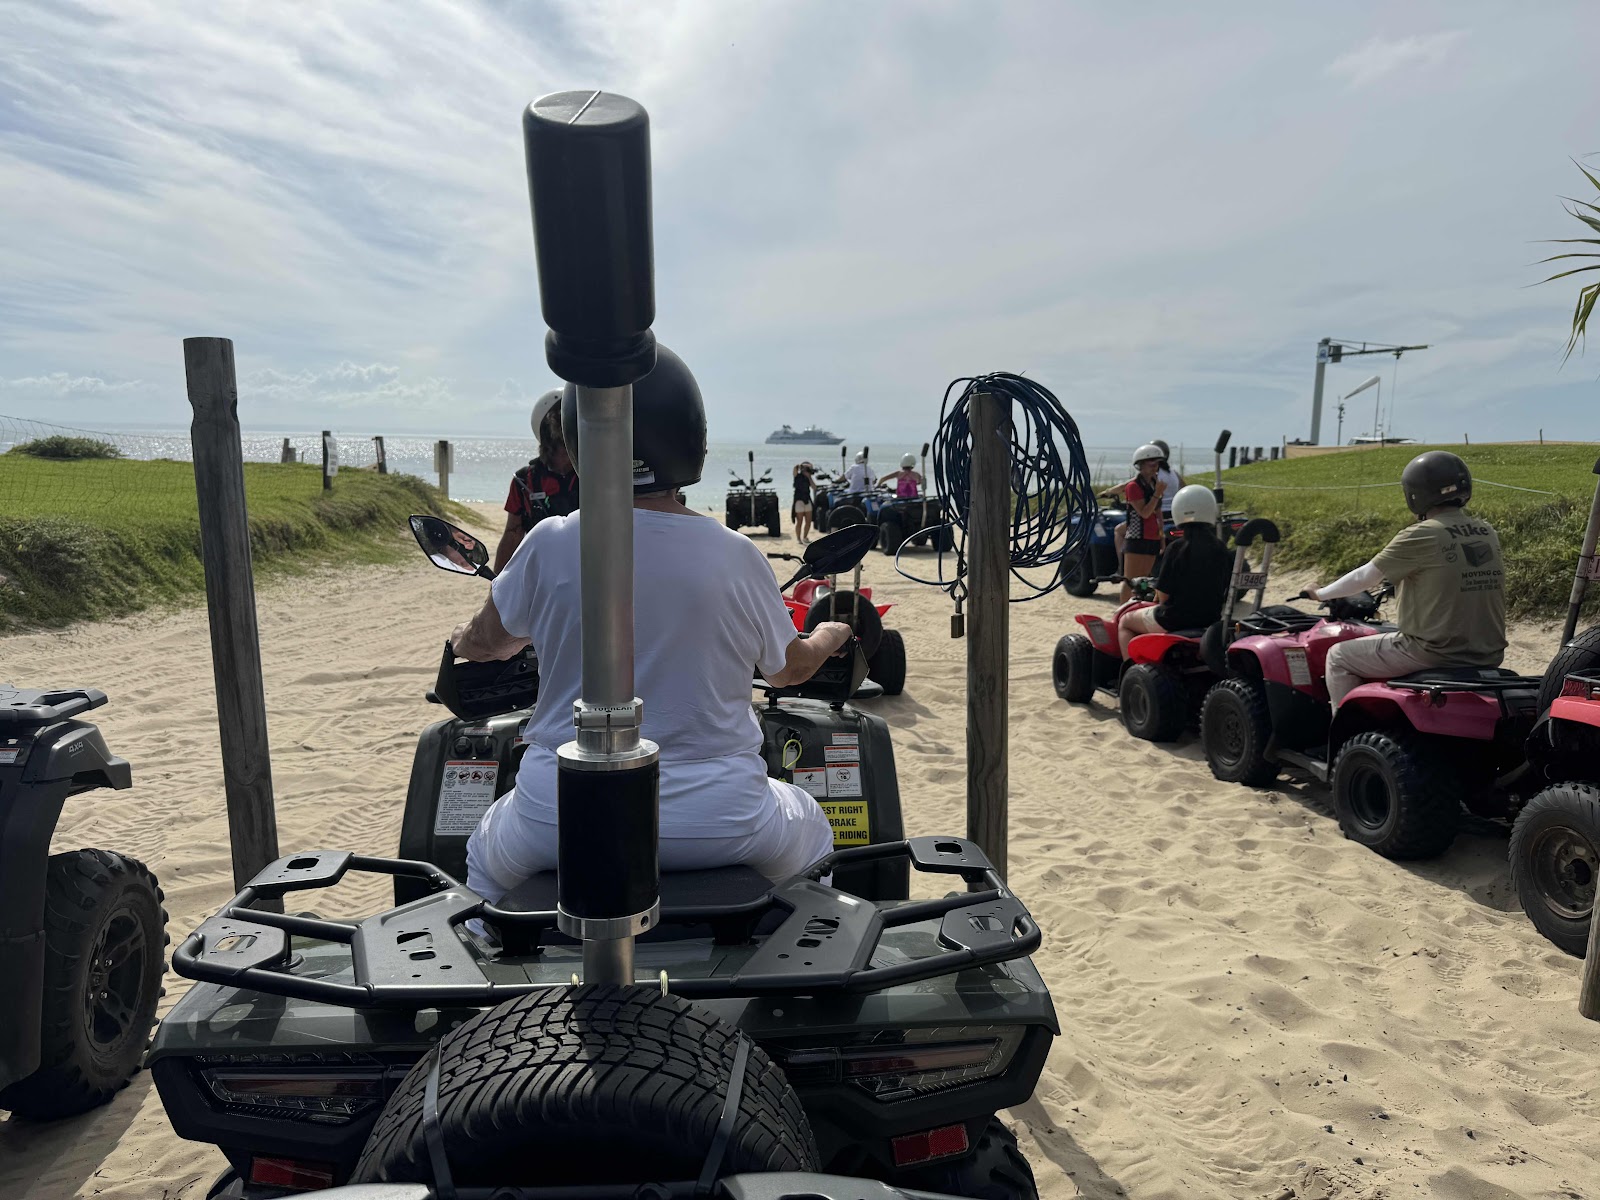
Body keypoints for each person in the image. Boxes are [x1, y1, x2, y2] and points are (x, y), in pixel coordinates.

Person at [449, 346, 850, 905]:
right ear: (692, 439)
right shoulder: (735, 553)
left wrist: (461, 640)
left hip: (559, 814)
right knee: (815, 835)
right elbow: (788, 671)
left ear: (583, 438)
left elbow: (489, 642)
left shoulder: (551, 541)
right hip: (723, 817)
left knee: (483, 865)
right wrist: (831, 635)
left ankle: (483, 949)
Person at [1299, 451, 1506, 707]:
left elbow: (1366, 576)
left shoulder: (1422, 533)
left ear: (1415, 494)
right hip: (1488, 654)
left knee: (1338, 656)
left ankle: (1346, 728)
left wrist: (1320, 593)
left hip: (1432, 652)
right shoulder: (1487, 531)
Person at [1117, 485, 1233, 657]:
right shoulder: (1221, 548)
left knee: (1125, 622)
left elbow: (1164, 596)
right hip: (1210, 619)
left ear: (1178, 511)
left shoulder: (1176, 548)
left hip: (1174, 620)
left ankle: (1130, 668)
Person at [494, 390, 580, 572]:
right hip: (544, 570)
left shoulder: (596, 476)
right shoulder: (525, 481)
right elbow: (513, 532)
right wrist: (497, 582)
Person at [1119, 445, 1168, 601]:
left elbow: (1158, 513)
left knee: (1144, 580)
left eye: (1157, 463)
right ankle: (1122, 610)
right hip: (1137, 537)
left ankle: (1137, 605)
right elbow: (1145, 513)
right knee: (1130, 581)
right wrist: (1157, 494)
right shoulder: (1133, 486)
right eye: (1151, 463)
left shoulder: (1154, 484)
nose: (1155, 467)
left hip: (1152, 537)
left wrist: (1161, 536)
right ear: (1141, 464)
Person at [1152, 438, 1183, 519]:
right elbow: (1185, 489)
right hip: (1175, 512)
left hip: (1159, 513)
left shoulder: (1152, 474)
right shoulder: (1174, 473)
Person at [792, 461, 816, 544]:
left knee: (808, 521)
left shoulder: (808, 478)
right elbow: (795, 468)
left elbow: (814, 487)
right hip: (799, 500)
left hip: (807, 499)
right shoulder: (797, 476)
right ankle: (798, 538)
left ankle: (805, 537)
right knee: (799, 521)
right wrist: (802, 466)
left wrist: (809, 477)